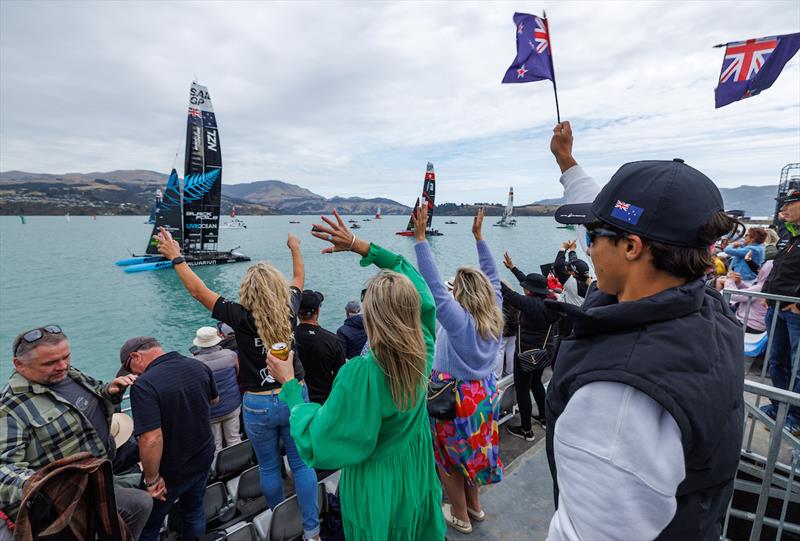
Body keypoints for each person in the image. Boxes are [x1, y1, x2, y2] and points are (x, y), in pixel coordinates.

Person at [547, 121, 744, 539]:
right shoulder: (707, 310)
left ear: (632, 248)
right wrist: (567, 163)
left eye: (593, 235)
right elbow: (619, 226)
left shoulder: (618, 401)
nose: (588, 247)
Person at [266, 210, 446, 541]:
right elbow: (419, 289)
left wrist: (290, 384)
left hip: (377, 480)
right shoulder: (425, 348)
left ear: (372, 319)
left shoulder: (362, 374)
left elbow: (317, 441)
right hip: (416, 464)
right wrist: (360, 246)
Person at [155, 229, 320, 541]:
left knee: (270, 468)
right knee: (302, 465)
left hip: (257, 403)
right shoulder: (290, 308)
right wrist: (295, 246)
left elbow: (198, 291)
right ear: (277, 288)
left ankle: (279, 526)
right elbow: (298, 276)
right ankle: (312, 531)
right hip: (293, 393)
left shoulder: (238, 315)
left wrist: (176, 257)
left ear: (248, 290)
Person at [0, 326, 152, 539]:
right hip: (66, 500)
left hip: (100, 474)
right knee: (139, 503)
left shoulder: (69, 374)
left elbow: (96, 389)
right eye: (50, 363)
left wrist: (110, 391)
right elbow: (4, 467)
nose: (62, 366)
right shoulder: (9, 408)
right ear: (19, 365)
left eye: (66, 357)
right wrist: (37, 484)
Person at [413, 206, 504, 534]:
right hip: (484, 393)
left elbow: (435, 286)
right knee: (473, 453)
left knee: (450, 461)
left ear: (461, 294)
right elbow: (493, 277)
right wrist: (479, 238)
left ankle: (461, 516)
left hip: (454, 398)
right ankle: (475, 508)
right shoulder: (494, 314)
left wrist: (421, 240)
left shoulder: (459, 323)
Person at [121, 336, 218, 541]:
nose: (133, 374)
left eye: (130, 369)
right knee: (193, 510)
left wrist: (152, 479)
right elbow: (214, 400)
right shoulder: (196, 365)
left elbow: (151, 438)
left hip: (171, 470)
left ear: (135, 356)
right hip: (202, 455)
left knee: (148, 526)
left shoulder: (144, 385)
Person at [500, 255, 561, 439]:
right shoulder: (551, 301)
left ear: (530, 291)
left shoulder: (527, 303)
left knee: (523, 390)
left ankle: (526, 430)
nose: (523, 288)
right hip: (544, 352)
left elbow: (508, 293)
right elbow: (527, 284)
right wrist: (513, 269)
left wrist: (488, 273)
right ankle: (544, 418)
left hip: (525, 355)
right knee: (536, 383)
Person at [760, 189, 800, 431]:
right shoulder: (788, 233)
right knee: (777, 361)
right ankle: (779, 406)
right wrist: (766, 292)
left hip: (795, 313)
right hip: (775, 308)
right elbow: (777, 267)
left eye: (790, 203)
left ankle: (794, 417)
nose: (783, 208)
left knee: (797, 367)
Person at [192, 326, 243, 452]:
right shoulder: (230, 355)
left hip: (211, 411)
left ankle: (218, 470)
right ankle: (239, 465)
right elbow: (238, 374)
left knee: (215, 445)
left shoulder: (194, 363)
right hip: (232, 404)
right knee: (234, 439)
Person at [295, 290, 346, 404]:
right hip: (325, 400)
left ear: (297, 312)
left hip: (298, 399)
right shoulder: (332, 340)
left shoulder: (289, 338)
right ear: (317, 311)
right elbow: (341, 374)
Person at [724, 261, 773, 333]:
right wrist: (740, 283)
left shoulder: (761, 287)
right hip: (758, 324)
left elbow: (734, 295)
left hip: (748, 324)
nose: (759, 270)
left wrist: (729, 280)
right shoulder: (769, 286)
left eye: (761, 268)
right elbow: (750, 293)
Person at [494, 288, 519, 379]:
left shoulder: (500, 303)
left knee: (500, 352)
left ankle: (498, 375)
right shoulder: (514, 302)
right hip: (513, 331)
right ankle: (510, 372)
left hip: (503, 331)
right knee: (511, 351)